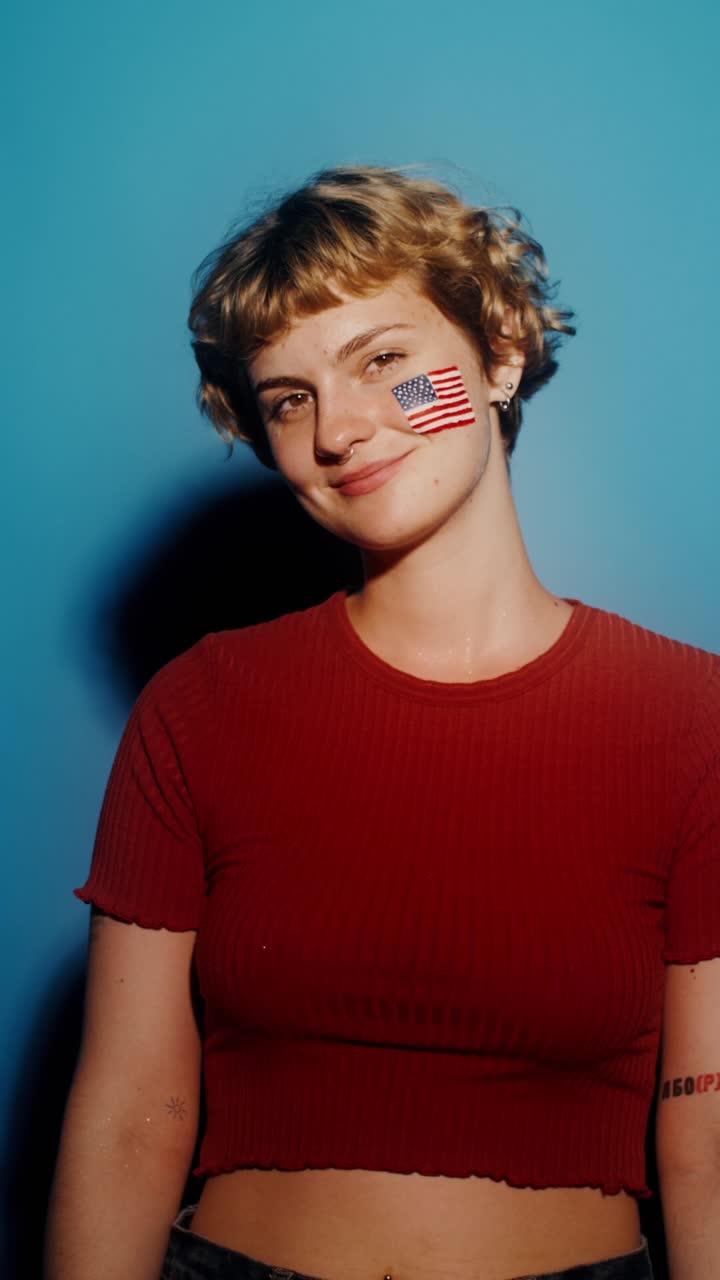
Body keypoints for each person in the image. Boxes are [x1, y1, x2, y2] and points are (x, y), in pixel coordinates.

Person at [45, 166, 720, 1280]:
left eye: (384, 360)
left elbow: (706, 1130)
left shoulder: (691, 721)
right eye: (289, 397)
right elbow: (131, 1110)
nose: (342, 429)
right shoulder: (202, 707)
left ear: (498, 349)